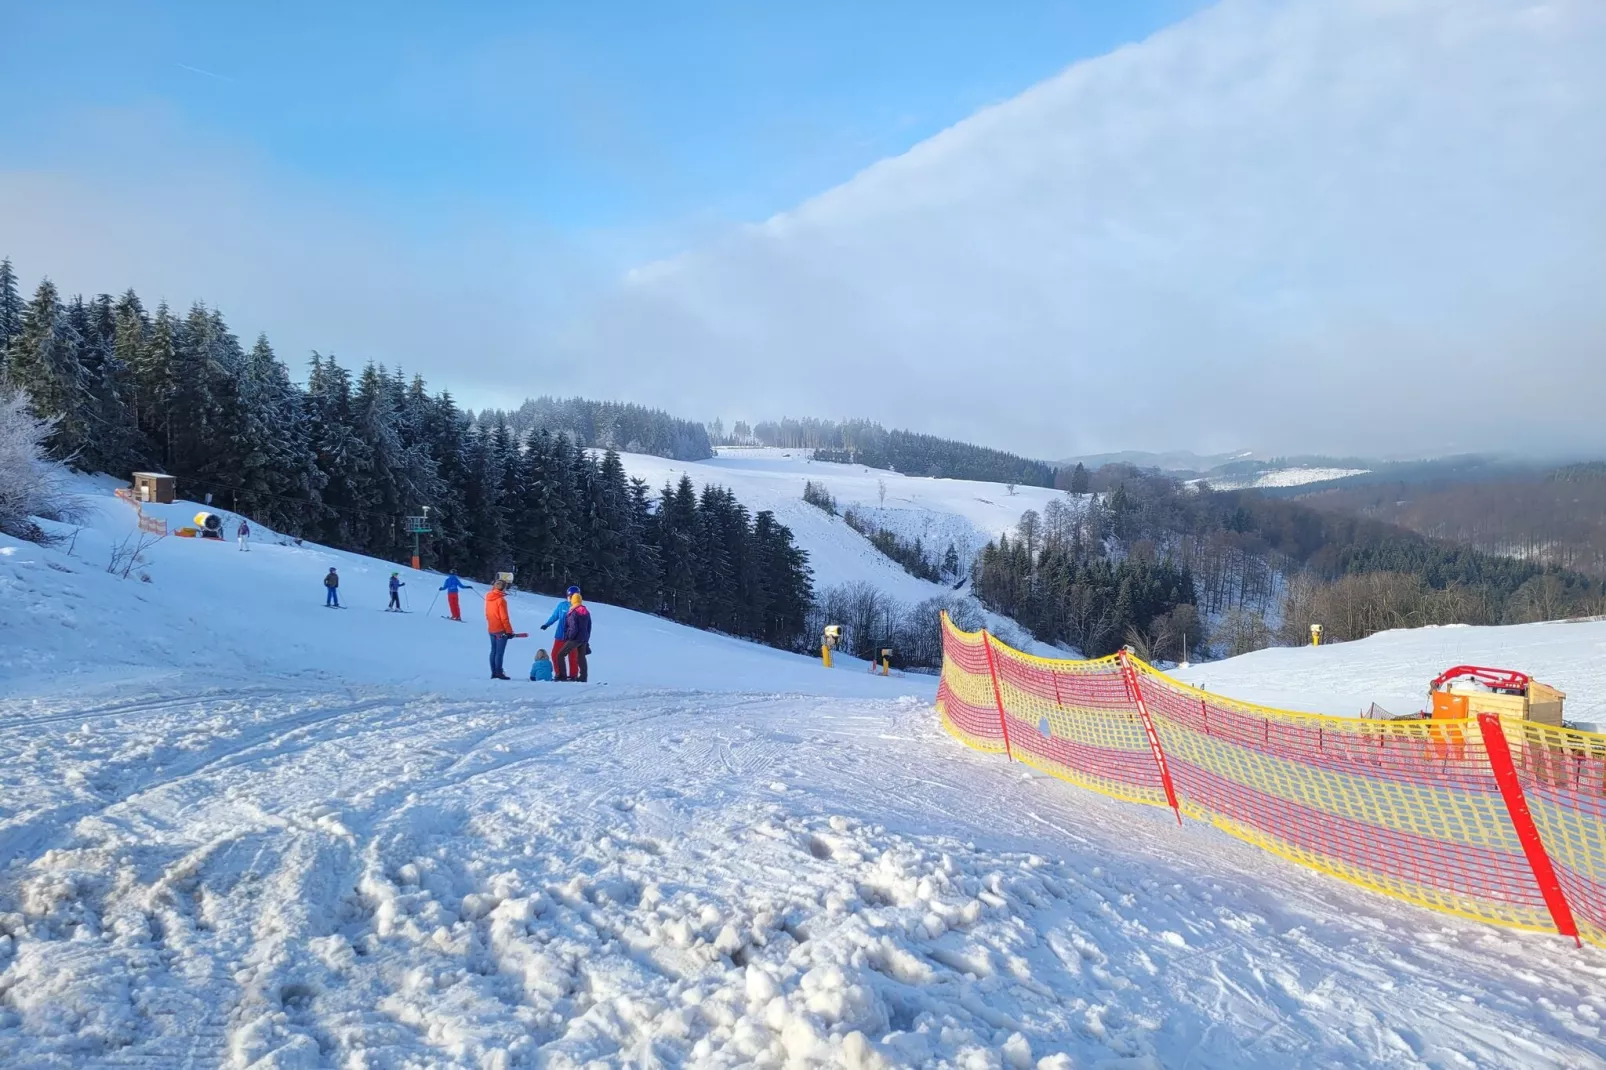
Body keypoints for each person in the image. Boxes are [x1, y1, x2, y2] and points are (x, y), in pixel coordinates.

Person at [541, 585, 581, 679]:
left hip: (573, 638)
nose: (570, 597)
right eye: (569, 595)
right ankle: (559, 674)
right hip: (560, 635)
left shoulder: (580, 608)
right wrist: (547, 624)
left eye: (573, 596)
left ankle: (573, 675)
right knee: (555, 655)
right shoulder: (562, 605)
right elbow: (555, 616)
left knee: (573, 657)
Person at [552, 591, 591, 683]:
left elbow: (573, 627)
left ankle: (562, 676)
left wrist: (569, 637)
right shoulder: (586, 611)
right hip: (584, 638)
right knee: (581, 657)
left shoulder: (573, 612)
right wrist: (587, 637)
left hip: (574, 639)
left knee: (560, 655)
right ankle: (583, 677)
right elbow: (589, 626)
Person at [485, 578, 514, 679]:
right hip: (500, 629)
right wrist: (509, 631)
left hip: (491, 628)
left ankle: (494, 672)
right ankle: (498, 672)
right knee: (499, 652)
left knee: (493, 651)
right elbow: (504, 617)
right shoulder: (500, 600)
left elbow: (487, 613)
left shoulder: (489, 598)